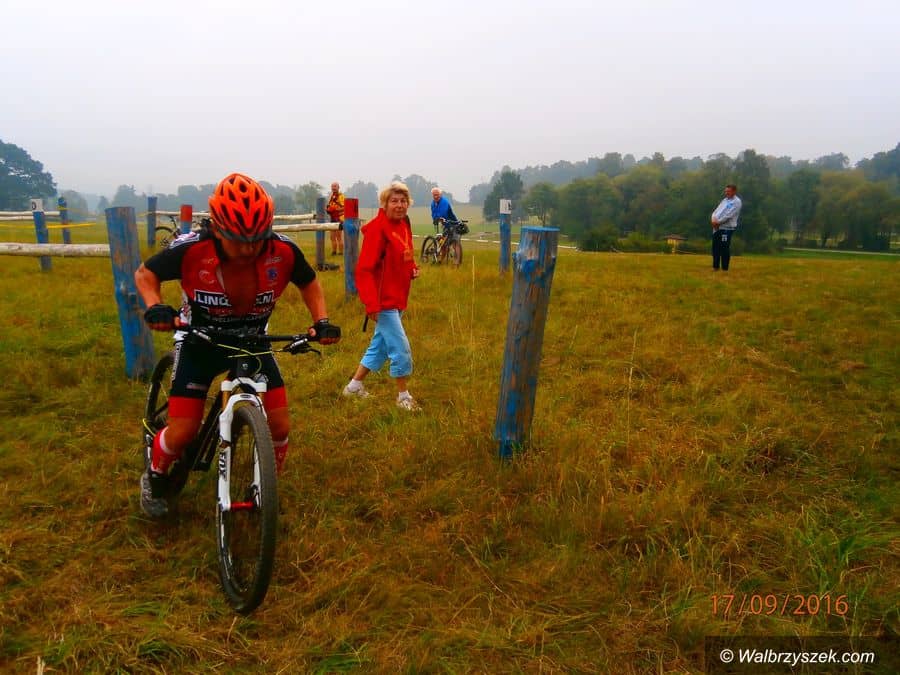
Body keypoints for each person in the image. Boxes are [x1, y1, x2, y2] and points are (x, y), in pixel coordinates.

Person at [134, 172, 340, 517]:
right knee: (183, 431)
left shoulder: (283, 250)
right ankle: (155, 475)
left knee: (280, 426)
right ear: (216, 228)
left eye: (257, 239)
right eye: (238, 240)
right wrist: (155, 305)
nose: (248, 249)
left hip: (252, 340)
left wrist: (321, 321)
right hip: (200, 341)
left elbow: (309, 282)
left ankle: (265, 487)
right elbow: (145, 274)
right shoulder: (191, 248)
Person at [343, 181, 421, 410]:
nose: (399, 205)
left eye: (403, 201)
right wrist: (371, 305)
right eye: (394, 201)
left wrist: (412, 268)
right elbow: (364, 270)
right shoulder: (378, 229)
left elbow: (405, 252)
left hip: (398, 296)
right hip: (382, 301)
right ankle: (403, 397)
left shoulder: (403, 224)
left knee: (380, 346)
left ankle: (354, 387)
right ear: (384, 204)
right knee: (400, 348)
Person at [710, 183, 742, 271]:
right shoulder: (725, 200)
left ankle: (724, 268)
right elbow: (716, 211)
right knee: (715, 247)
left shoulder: (737, 202)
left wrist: (718, 222)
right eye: (726, 191)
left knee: (724, 247)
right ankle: (715, 267)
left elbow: (729, 215)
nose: (726, 193)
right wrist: (713, 219)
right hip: (716, 227)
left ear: (734, 191)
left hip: (726, 229)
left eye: (728, 191)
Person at [326, 182, 345, 256]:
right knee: (332, 237)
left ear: (338, 187)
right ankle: (334, 252)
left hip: (339, 218)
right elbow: (330, 206)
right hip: (332, 218)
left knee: (338, 236)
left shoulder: (341, 196)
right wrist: (328, 209)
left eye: (335, 186)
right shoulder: (332, 196)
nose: (333, 188)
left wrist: (335, 209)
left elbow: (344, 207)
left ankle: (341, 253)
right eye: (332, 186)